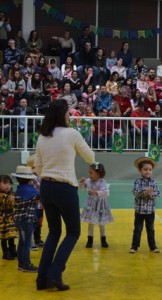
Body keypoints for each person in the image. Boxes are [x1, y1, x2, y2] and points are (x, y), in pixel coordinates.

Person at [34, 99, 95, 291]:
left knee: (53, 232)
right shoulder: (72, 134)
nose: (70, 115)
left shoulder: (43, 136)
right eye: (69, 112)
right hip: (65, 188)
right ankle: (55, 273)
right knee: (73, 232)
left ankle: (42, 278)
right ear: (62, 114)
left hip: (46, 187)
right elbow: (91, 157)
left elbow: (37, 167)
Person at [129, 157, 161, 253]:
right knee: (138, 229)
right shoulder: (137, 181)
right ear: (140, 170)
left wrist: (150, 194)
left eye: (150, 170)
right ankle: (134, 246)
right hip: (139, 211)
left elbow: (158, 194)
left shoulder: (153, 182)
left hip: (150, 211)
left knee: (150, 229)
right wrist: (145, 192)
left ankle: (152, 246)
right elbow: (135, 192)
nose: (148, 172)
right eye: (145, 169)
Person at [12, 166, 40, 272]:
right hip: (26, 221)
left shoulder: (19, 189)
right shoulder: (30, 190)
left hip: (20, 220)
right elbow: (39, 197)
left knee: (22, 242)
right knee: (27, 243)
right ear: (30, 180)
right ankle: (26, 264)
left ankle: (21, 263)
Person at [80, 162, 114, 249]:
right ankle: (90, 239)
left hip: (100, 205)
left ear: (98, 174)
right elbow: (81, 188)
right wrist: (82, 182)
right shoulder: (89, 181)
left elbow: (106, 192)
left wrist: (95, 192)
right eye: (89, 172)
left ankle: (103, 239)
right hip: (91, 205)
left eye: (91, 173)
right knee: (91, 222)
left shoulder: (102, 182)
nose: (89, 174)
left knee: (101, 223)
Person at [0, 174, 17, 260]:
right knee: (4, 236)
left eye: (10, 184)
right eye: (5, 183)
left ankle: (12, 250)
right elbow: (6, 200)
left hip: (10, 217)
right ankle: (5, 253)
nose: (8, 186)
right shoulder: (2, 195)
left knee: (11, 235)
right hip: (2, 218)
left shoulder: (11, 194)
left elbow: (14, 203)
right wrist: (10, 198)